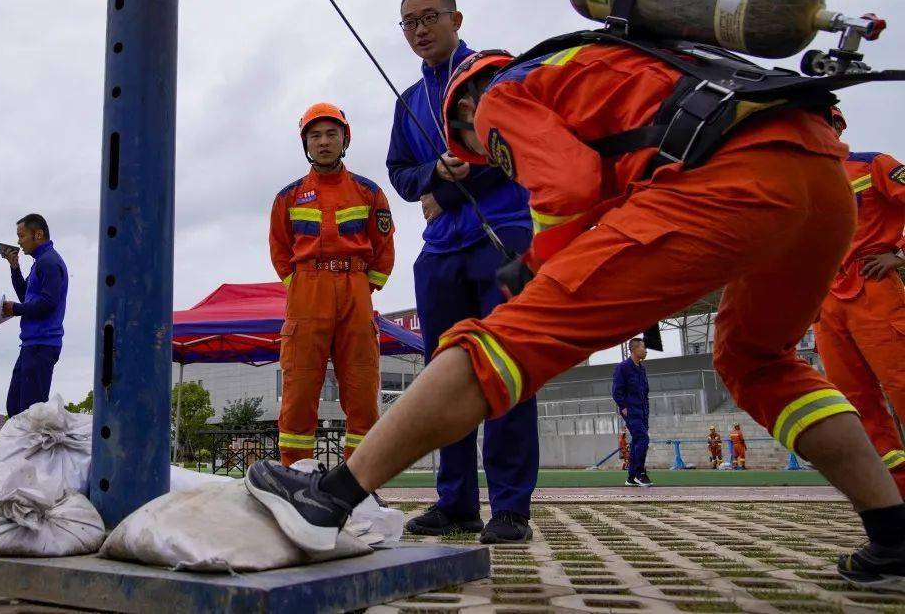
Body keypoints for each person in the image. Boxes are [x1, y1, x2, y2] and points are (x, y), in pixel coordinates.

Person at [245, 40, 905, 591]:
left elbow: (568, 184)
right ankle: (892, 532)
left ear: (468, 104)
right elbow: (600, 179)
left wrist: (540, 268)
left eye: (475, 143)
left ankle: (328, 498)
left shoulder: (502, 92)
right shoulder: (606, 63)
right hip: (819, 176)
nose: (485, 153)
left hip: (733, 180)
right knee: (759, 361)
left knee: (497, 342)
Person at [385, 0, 536, 544]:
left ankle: (513, 506)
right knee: (445, 375)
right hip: (441, 251)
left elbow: (523, 143)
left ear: (456, 17)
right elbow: (400, 173)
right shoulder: (407, 101)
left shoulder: (492, 74)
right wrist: (430, 178)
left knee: (506, 367)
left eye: (429, 17)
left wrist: (451, 183)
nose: (420, 29)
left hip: (504, 237)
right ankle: (455, 503)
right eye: (409, 22)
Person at [269, 103, 395, 466]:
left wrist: (360, 286)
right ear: (305, 143)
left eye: (331, 134)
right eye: (315, 136)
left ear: (345, 140)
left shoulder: (368, 193)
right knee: (299, 388)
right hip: (307, 292)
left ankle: (360, 480)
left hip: (355, 290)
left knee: (361, 387)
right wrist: (302, 284)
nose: (323, 142)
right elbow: (280, 249)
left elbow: (384, 249)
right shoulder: (287, 197)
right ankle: (294, 475)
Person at [814, 108, 905, 496]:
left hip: (875, 291)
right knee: (854, 403)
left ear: (837, 127)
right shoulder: (803, 182)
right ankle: (896, 492)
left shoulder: (874, 164)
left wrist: (900, 255)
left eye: (822, 122)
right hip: (825, 302)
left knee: (901, 385)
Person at [0, 213, 68, 417]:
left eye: (21, 236)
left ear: (38, 234)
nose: (18, 242)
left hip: (42, 344)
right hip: (31, 345)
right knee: (15, 409)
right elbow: (26, 296)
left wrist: (16, 309)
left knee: (31, 414)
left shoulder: (49, 262)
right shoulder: (40, 262)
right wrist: (14, 268)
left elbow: (49, 302)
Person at [612, 337, 651, 486]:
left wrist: (646, 408)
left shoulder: (641, 368)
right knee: (643, 439)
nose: (646, 350)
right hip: (631, 410)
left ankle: (631, 477)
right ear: (634, 349)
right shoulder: (623, 367)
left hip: (643, 410)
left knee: (637, 441)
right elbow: (616, 391)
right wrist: (623, 407)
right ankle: (639, 472)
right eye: (643, 348)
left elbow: (645, 390)